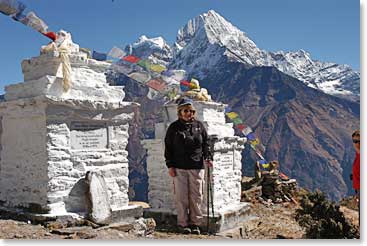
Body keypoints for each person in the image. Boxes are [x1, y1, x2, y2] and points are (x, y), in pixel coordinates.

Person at [164, 98, 213, 235]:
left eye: (191, 111)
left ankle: (195, 223)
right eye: (186, 111)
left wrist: (208, 157)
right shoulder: (174, 128)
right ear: (180, 112)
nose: (188, 113)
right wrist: (170, 165)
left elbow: (206, 144)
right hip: (179, 167)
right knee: (181, 197)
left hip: (197, 166)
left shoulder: (199, 126)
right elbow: (168, 147)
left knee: (197, 196)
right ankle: (183, 223)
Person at [351, 130, 360, 224]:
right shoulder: (358, 155)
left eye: (359, 141)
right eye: (354, 141)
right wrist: (357, 194)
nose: (357, 144)